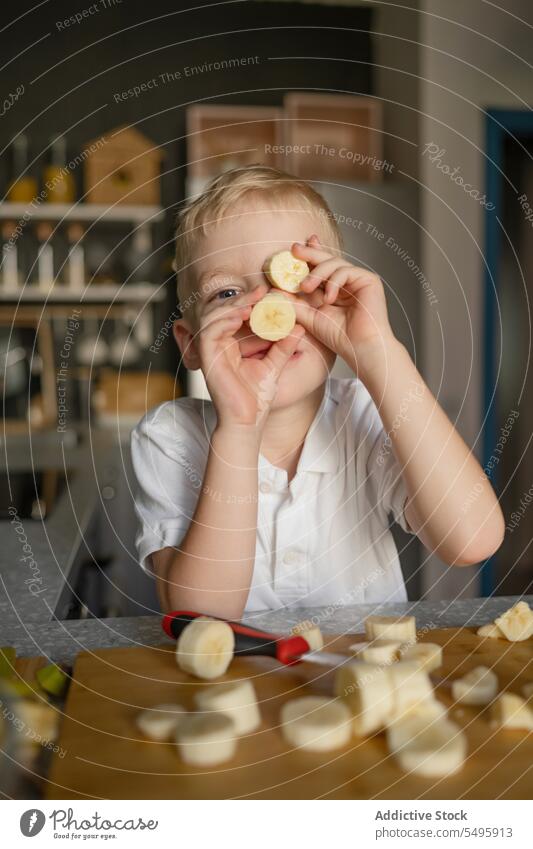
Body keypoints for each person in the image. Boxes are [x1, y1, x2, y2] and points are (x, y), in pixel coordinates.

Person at [131, 165, 504, 617]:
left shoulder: (362, 414)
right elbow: (200, 616)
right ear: (191, 345)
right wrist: (240, 426)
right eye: (227, 293)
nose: (265, 309)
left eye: (292, 280)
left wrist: (378, 351)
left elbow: (472, 539)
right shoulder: (169, 436)